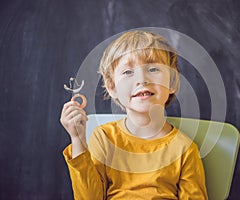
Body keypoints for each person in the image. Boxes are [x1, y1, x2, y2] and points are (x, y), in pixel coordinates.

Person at [60, 30, 208, 199]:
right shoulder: (104, 138)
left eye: (152, 68)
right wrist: (77, 139)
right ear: (112, 87)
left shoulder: (185, 149)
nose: (142, 79)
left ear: (172, 82)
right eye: (128, 72)